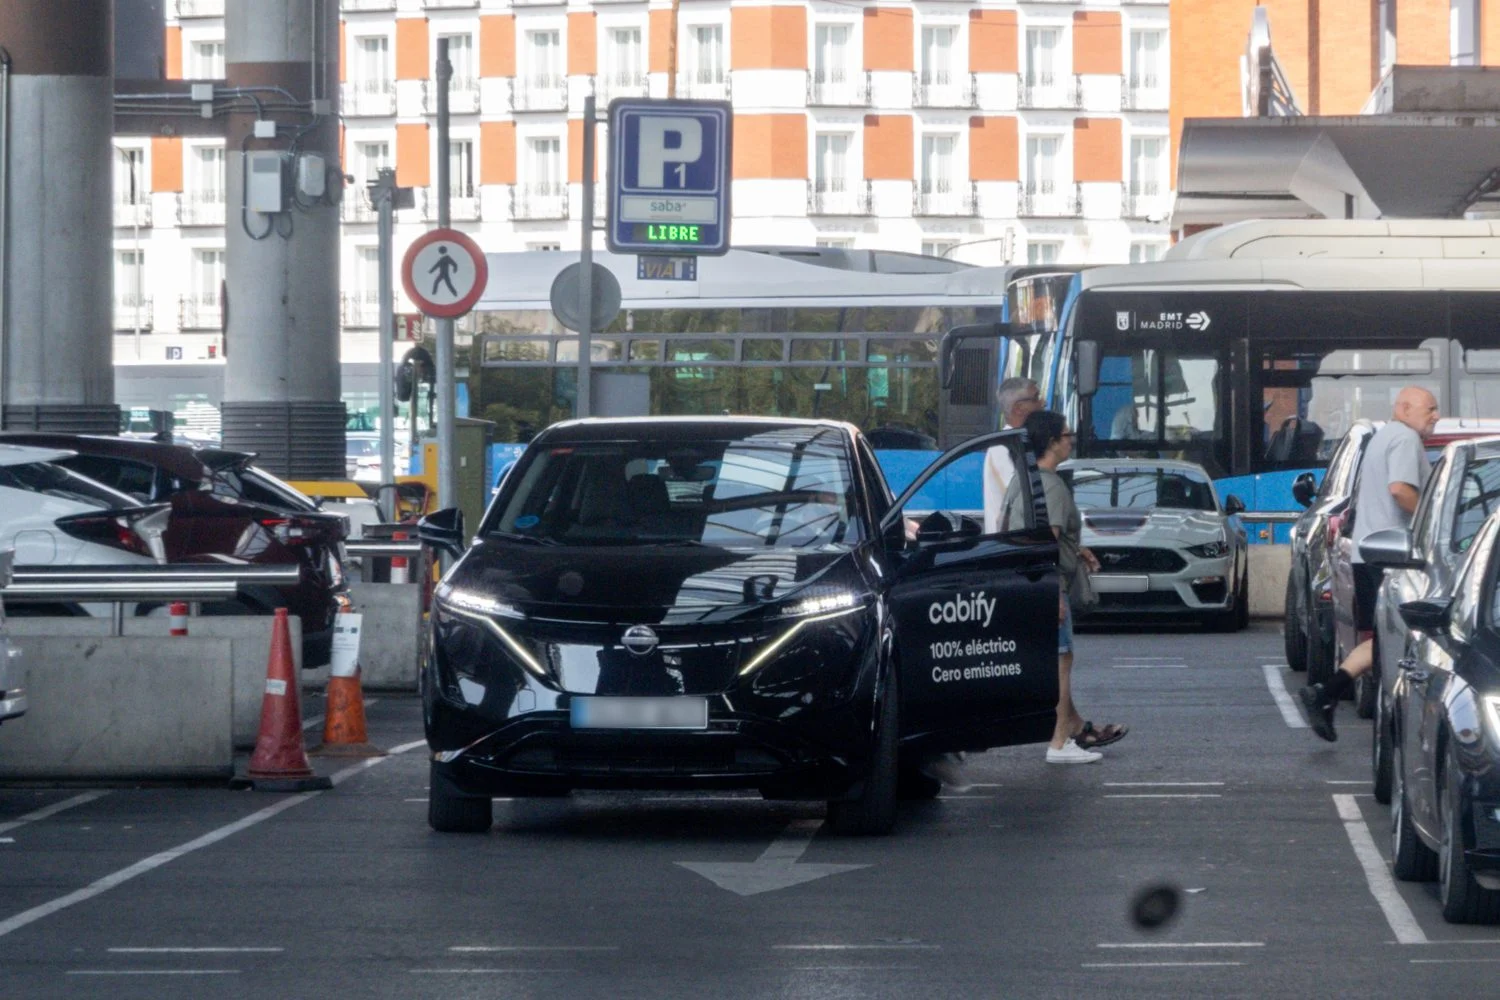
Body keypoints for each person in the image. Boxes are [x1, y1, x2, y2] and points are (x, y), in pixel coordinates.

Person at [1299, 386, 1440, 741]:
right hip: (1394, 557)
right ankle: (1395, 724)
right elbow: (1400, 490)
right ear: (1405, 408)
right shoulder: (1406, 440)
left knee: (1381, 640)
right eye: (1430, 409)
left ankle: (1326, 694)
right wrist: (1432, 521)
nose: (1435, 416)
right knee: (1404, 641)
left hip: (1368, 553)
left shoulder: (1380, 438)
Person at [1005, 409, 1129, 763]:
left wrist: (1077, 550)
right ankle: (1060, 743)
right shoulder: (1054, 487)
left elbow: (1024, 533)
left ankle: (1075, 727)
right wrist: (1053, 593)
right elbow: (1047, 542)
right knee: (1061, 661)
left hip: (1026, 582)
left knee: (1058, 659)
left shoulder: (1024, 480)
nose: (1072, 439)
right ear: (1052, 442)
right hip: (1048, 585)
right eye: (1067, 434)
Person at [982, 378, 1046, 533]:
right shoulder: (1002, 448)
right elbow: (1024, 499)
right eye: (1036, 398)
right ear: (1019, 408)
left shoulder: (1020, 442)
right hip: (1012, 547)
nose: (1044, 403)